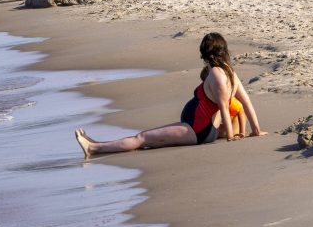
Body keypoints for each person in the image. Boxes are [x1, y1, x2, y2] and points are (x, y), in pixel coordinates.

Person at [75, 33, 266, 159]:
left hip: (195, 130)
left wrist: (231, 136)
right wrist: (256, 130)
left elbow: (224, 106)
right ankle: (98, 144)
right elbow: (246, 102)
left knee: (141, 138)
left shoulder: (216, 73)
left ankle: (93, 149)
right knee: (146, 141)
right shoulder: (230, 71)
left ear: (206, 54)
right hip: (204, 129)